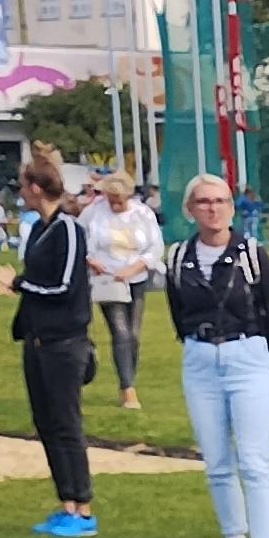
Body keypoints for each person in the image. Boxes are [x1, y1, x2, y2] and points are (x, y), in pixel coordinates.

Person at [164, 171, 269, 538]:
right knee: (217, 461)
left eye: (220, 201)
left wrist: (263, 364)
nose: (213, 209)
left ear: (231, 207)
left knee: (254, 461)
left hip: (247, 355)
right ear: (190, 209)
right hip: (201, 361)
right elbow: (178, 311)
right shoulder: (178, 257)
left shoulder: (251, 254)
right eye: (203, 202)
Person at [0, 148, 96, 534]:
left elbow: (64, 286)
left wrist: (19, 283)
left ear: (36, 187)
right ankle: (66, 502)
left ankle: (83, 508)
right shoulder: (38, 229)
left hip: (64, 341)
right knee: (46, 423)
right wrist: (20, 287)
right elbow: (39, 282)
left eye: (23, 185)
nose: (21, 192)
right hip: (37, 339)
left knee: (66, 423)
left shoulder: (68, 229)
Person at [85, 170, 161, 409]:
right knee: (120, 331)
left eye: (120, 201)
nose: (115, 206)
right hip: (108, 279)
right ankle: (128, 388)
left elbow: (155, 246)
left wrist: (134, 268)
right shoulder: (94, 213)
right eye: (112, 201)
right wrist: (90, 260)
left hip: (136, 278)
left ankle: (128, 379)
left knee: (133, 334)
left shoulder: (143, 214)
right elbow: (79, 239)